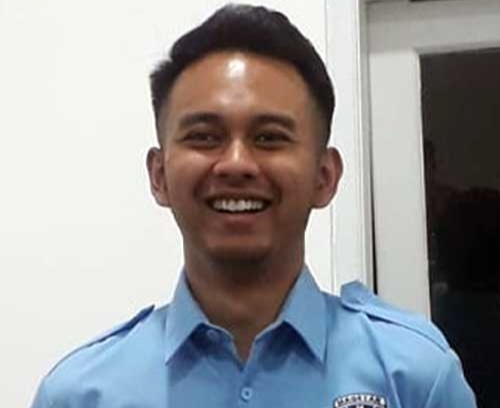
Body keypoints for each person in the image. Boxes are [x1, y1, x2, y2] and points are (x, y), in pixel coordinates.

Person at [31, 4, 476, 408]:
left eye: (269, 138)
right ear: (159, 175)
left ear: (324, 177)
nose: (237, 164)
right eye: (204, 137)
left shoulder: (415, 377)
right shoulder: (79, 395)